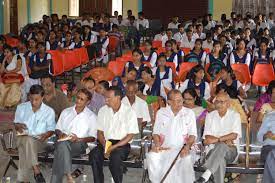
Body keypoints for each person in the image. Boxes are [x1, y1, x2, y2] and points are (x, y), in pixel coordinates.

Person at [89, 86, 139, 183]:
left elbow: (130, 136)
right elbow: (99, 132)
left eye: (109, 98)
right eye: (105, 98)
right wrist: (105, 145)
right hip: (106, 142)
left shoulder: (129, 112)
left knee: (115, 157)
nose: (106, 100)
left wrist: (112, 147)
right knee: (94, 154)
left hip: (122, 144)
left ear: (118, 97)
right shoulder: (103, 110)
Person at [146, 89, 197, 183]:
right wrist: (157, 145)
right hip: (164, 148)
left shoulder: (189, 113)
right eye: (176, 101)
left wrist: (187, 147)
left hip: (183, 148)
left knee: (184, 160)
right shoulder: (161, 112)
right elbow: (156, 133)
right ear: (169, 102)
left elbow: (193, 135)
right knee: (152, 156)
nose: (180, 103)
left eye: (181, 100)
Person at [51, 88, 97, 183]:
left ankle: (66, 177)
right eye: (78, 97)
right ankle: (69, 176)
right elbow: (57, 129)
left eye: (82, 99)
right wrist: (61, 134)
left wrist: (78, 139)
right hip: (62, 141)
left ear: (88, 102)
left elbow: (93, 137)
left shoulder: (91, 116)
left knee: (60, 151)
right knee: (62, 146)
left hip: (80, 144)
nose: (78, 100)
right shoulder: (66, 112)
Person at [195, 93, 242, 183]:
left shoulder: (235, 115)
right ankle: (207, 175)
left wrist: (217, 140)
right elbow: (206, 138)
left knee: (221, 146)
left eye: (222, 102)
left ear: (228, 104)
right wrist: (224, 140)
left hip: (231, 151)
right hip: (212, 152)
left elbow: (234, 135)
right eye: (217, 101)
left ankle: (206, 174)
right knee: (220, 159)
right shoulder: (210, 116)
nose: (219, 104)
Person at [14, 85, 55, 183]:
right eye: (31, 99)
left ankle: (24, 180)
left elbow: (51, 129)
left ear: (42, 97)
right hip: (22, 138)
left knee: (24, 147)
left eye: (36, 99)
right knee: (26, 139)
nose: (33, 102)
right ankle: (36, 171)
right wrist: (18, 126)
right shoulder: (21, 107)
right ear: (29, 96)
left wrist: (46, 135)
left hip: (40, 141)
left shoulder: (49, 111)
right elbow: (16, 124)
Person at [257, 112, 275, 183]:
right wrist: (266, 135)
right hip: (269, 148)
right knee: (272, 154)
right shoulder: (269, 116)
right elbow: (259, 137)